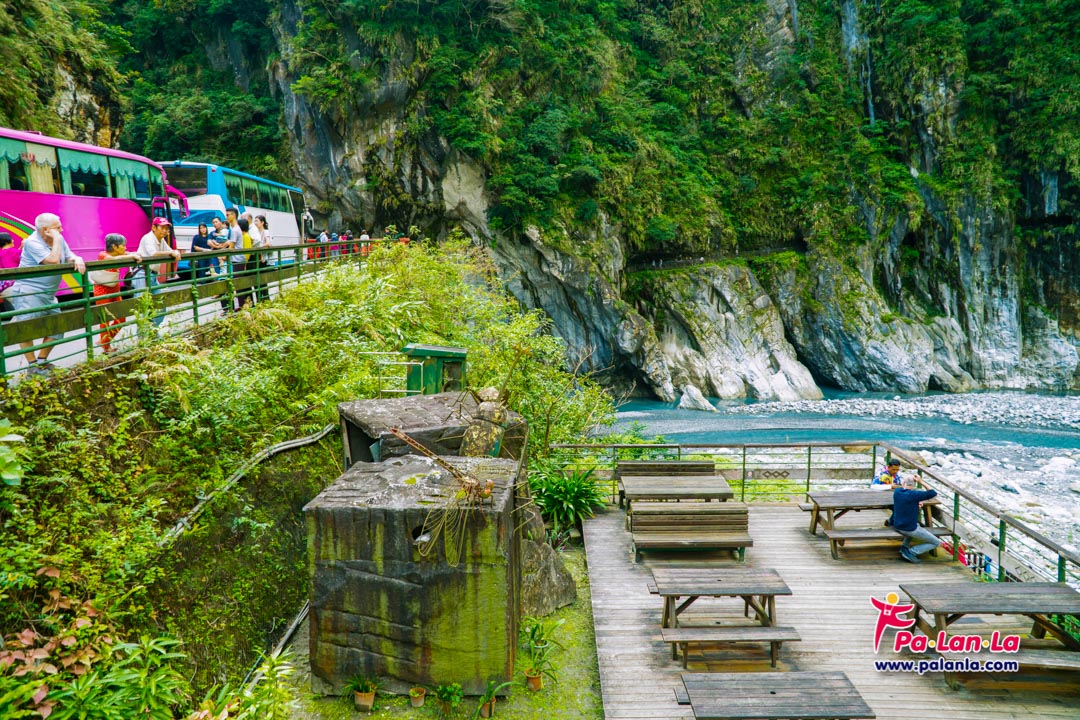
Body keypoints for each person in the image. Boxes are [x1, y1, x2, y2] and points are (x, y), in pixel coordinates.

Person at [8, 213, 86, 373]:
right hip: (28, 291)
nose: (62, 230)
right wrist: (56, 239)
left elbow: (68, 255)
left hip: (48, 293)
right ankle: (33, 366)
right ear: (45, 230)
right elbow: (53, 261)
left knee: (58, 326)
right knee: (25, 328)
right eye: (58, 228)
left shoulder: (59, 239)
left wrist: (77, 258)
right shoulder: (32, 242)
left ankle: (41, 361)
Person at [90, 234, 141, 353]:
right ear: (114, 246)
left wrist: (133, 254)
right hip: (102, 290)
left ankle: (104, 340)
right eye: (123, 246)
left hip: (114, 288)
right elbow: (112, 260)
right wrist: (131, 255)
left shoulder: (121, 254)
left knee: (121, 317)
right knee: (105, 318)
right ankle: (106, 347)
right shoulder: (103, 255)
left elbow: (129, 253)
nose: (125, 248)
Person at [132, 217, 181, 330]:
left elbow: (170, 251)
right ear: (154, 227)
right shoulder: (148, 238)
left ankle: (152, 331)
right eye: (162, 228)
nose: (165, 231)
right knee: (143, 307)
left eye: (166, 228)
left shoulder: (161, 240)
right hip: (142, 274)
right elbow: (153, 254)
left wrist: (175, 251)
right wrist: (172, 252)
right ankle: (143, 339)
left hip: (152, 275)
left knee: (160, 304)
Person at [893, 476, 940, 563]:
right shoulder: (915, 495)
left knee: (917, 525)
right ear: (914, 486)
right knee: (936, 542)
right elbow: (933, 493)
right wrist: (921, 481)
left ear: (903, 483)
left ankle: (904, 546)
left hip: (897, 525)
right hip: (909, 528)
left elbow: (906, 501)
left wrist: (916, 503)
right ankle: (911, 552)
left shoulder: (897, 492)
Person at [233, 217, 255, 309]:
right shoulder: (245, 236)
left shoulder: (245, 236)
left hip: (242, 263)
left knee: (240, 284)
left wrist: (245, 264)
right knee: (244, 284)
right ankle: (247, 303)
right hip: (243, 262)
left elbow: (246, 252)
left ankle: (243, 304)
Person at [252, 215, 272, 302]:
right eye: (254, 221)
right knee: (257, 280)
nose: (255, 223)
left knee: (263, 280)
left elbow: (268, 243)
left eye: (256, 221)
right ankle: (259, 300)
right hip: (256, 258)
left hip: (263, 259)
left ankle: (266, 299)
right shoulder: (254, 232)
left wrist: (259, 247)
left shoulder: (265, 232)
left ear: (262, 222)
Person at [0, 232, 19, 315]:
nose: (13, 240)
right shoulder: (14, 252)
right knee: (22, 310)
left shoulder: (1, 253)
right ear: (7, 242)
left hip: (3, 287)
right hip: (13, 285)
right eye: (11, 238)